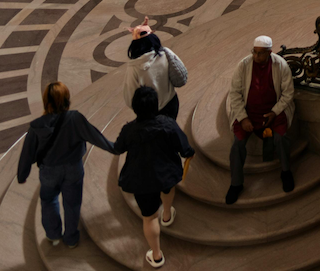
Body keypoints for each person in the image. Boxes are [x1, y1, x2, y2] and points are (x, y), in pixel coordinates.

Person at [17, 82, 115, 250]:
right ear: (67, 99)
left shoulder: (37, 126)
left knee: (48, 200)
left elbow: (27, 153)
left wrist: (22, 174)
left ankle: (53, 235)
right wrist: (114, 147)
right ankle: (71, 238)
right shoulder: (75, 118)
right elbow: (94, 136)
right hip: (73, 169)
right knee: (72, 203)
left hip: (48, 171)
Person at [111, 86, 195, 270]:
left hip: (141, 180)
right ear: (156, 105)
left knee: (149, 218)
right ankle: (167, 214)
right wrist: (189, 152)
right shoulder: (167, 124)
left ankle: (156, 256)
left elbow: (118, 148)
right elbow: (184, 147)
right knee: (167, 190)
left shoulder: (129, 130)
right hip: (166, 173)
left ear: (134, 107)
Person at [225, 35, 295, 205]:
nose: (256, 57)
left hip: (274, 112)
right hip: (249, 113)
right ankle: (236, 184)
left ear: (269, 53)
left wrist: (274, 112)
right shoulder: (243, 65)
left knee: (280, 138)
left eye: (260, 54)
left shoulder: (281, 65)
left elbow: (288, 94)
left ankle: (286, 172)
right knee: (237, 144)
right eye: (254, 52)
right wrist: (242, 118)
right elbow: (234, 94)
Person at [124, 16, 188, 121]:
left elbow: (130, 97)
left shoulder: (134, 68)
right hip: (172, 103)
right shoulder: (164, 53)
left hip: (151, 113)